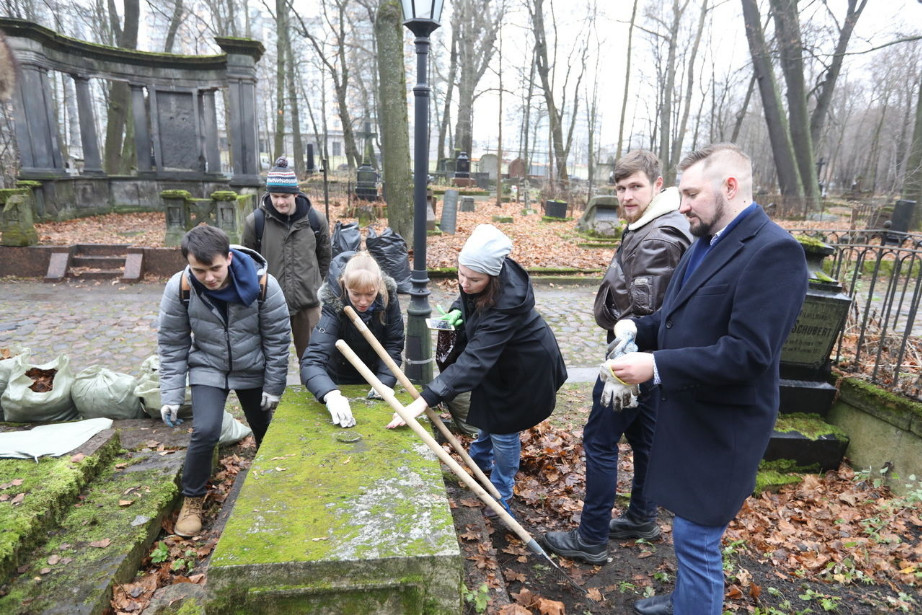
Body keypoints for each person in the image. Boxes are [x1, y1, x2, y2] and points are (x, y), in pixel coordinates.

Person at [605, 144, 808, 615]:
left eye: (693, 193)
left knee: (697, 539)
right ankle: (684, 601)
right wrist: (642, 327)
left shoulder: (774, 252)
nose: (683, 205)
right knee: (685, 529)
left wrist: (656, 366)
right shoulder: (704, 241)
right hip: (689, 413)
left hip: (724, 428)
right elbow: (683, 320)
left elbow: (748, 354)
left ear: (730, 187)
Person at [542, 150, 692, 564]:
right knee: (645, 439)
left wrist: (624, 363)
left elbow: (645, 315)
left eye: (635, 187)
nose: (626, 196)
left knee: (600, 440)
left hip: (633, 357)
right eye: (621, 188)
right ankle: (642, 517)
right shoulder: (654, 224)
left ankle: (591, 538)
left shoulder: (658, 238)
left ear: (657, 185)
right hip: (651, 359)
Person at [386, 224, 568, 517]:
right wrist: (460, 309)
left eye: (474, 279)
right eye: (461, 274)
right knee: (488, 415)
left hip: (525, 368)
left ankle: (500, 496)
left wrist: (424, 400)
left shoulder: (506, 305)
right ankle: (479, 462)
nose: (465, 282)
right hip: (498, 363)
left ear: (493, 278)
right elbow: (469, 299)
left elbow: (474, 360)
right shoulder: (476, 277)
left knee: (504, 429)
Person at [158, 225, 291, 537]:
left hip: (253, 367)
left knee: (265, 428)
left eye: (215, 268)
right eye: (199, 270)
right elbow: (172, 343)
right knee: (205, 430)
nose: (209, 278)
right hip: (208, 367)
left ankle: (275, 480)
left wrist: (273, 386)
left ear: (229, 258)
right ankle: (192, 499)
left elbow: (277, 340)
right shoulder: (180, 287)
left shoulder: (263, 285)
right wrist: (171, 394)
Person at [300, 250, 405, 428]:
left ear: (379, 285)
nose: (363, 301)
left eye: (370, 294)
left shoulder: (388, 300)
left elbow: (393, 344)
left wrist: (385, 381)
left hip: (375, 376)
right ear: (345, 285)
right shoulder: (334, 305)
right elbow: (312, 360)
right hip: (339, 377)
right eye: (356, 294)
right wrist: (330, 394)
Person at [242, 156, 332, 362]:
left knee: (312, 359)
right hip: (270, 303)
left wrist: (313, 284)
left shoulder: (315, 220)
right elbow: (247, 261)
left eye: (285, 196)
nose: (280, 201)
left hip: (308, 304)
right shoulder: (255, 222)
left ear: (295, 194)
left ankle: (311, 393)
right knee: (270, 359)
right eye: (275, 196)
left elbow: (324, 257)